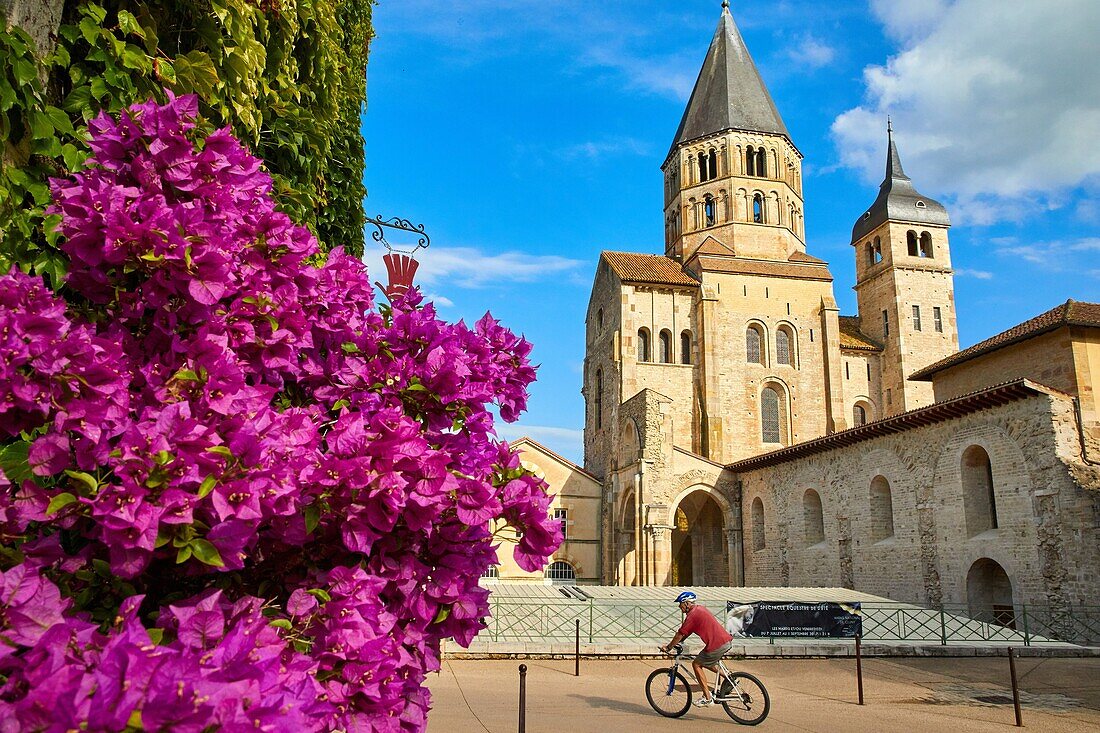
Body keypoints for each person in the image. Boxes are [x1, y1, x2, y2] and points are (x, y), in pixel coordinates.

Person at [660, 591, 734, 707]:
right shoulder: (700, 609)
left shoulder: (692, 615)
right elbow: (688, 631)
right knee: (707, 661)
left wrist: (669, 647)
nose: (680, 607)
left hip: (716, 645)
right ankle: (729, 676)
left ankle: (707, 698)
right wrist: (680, 641)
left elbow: (680, 634)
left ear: (687, 603)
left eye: (681, 604)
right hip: (725, 642)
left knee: (696, 664)